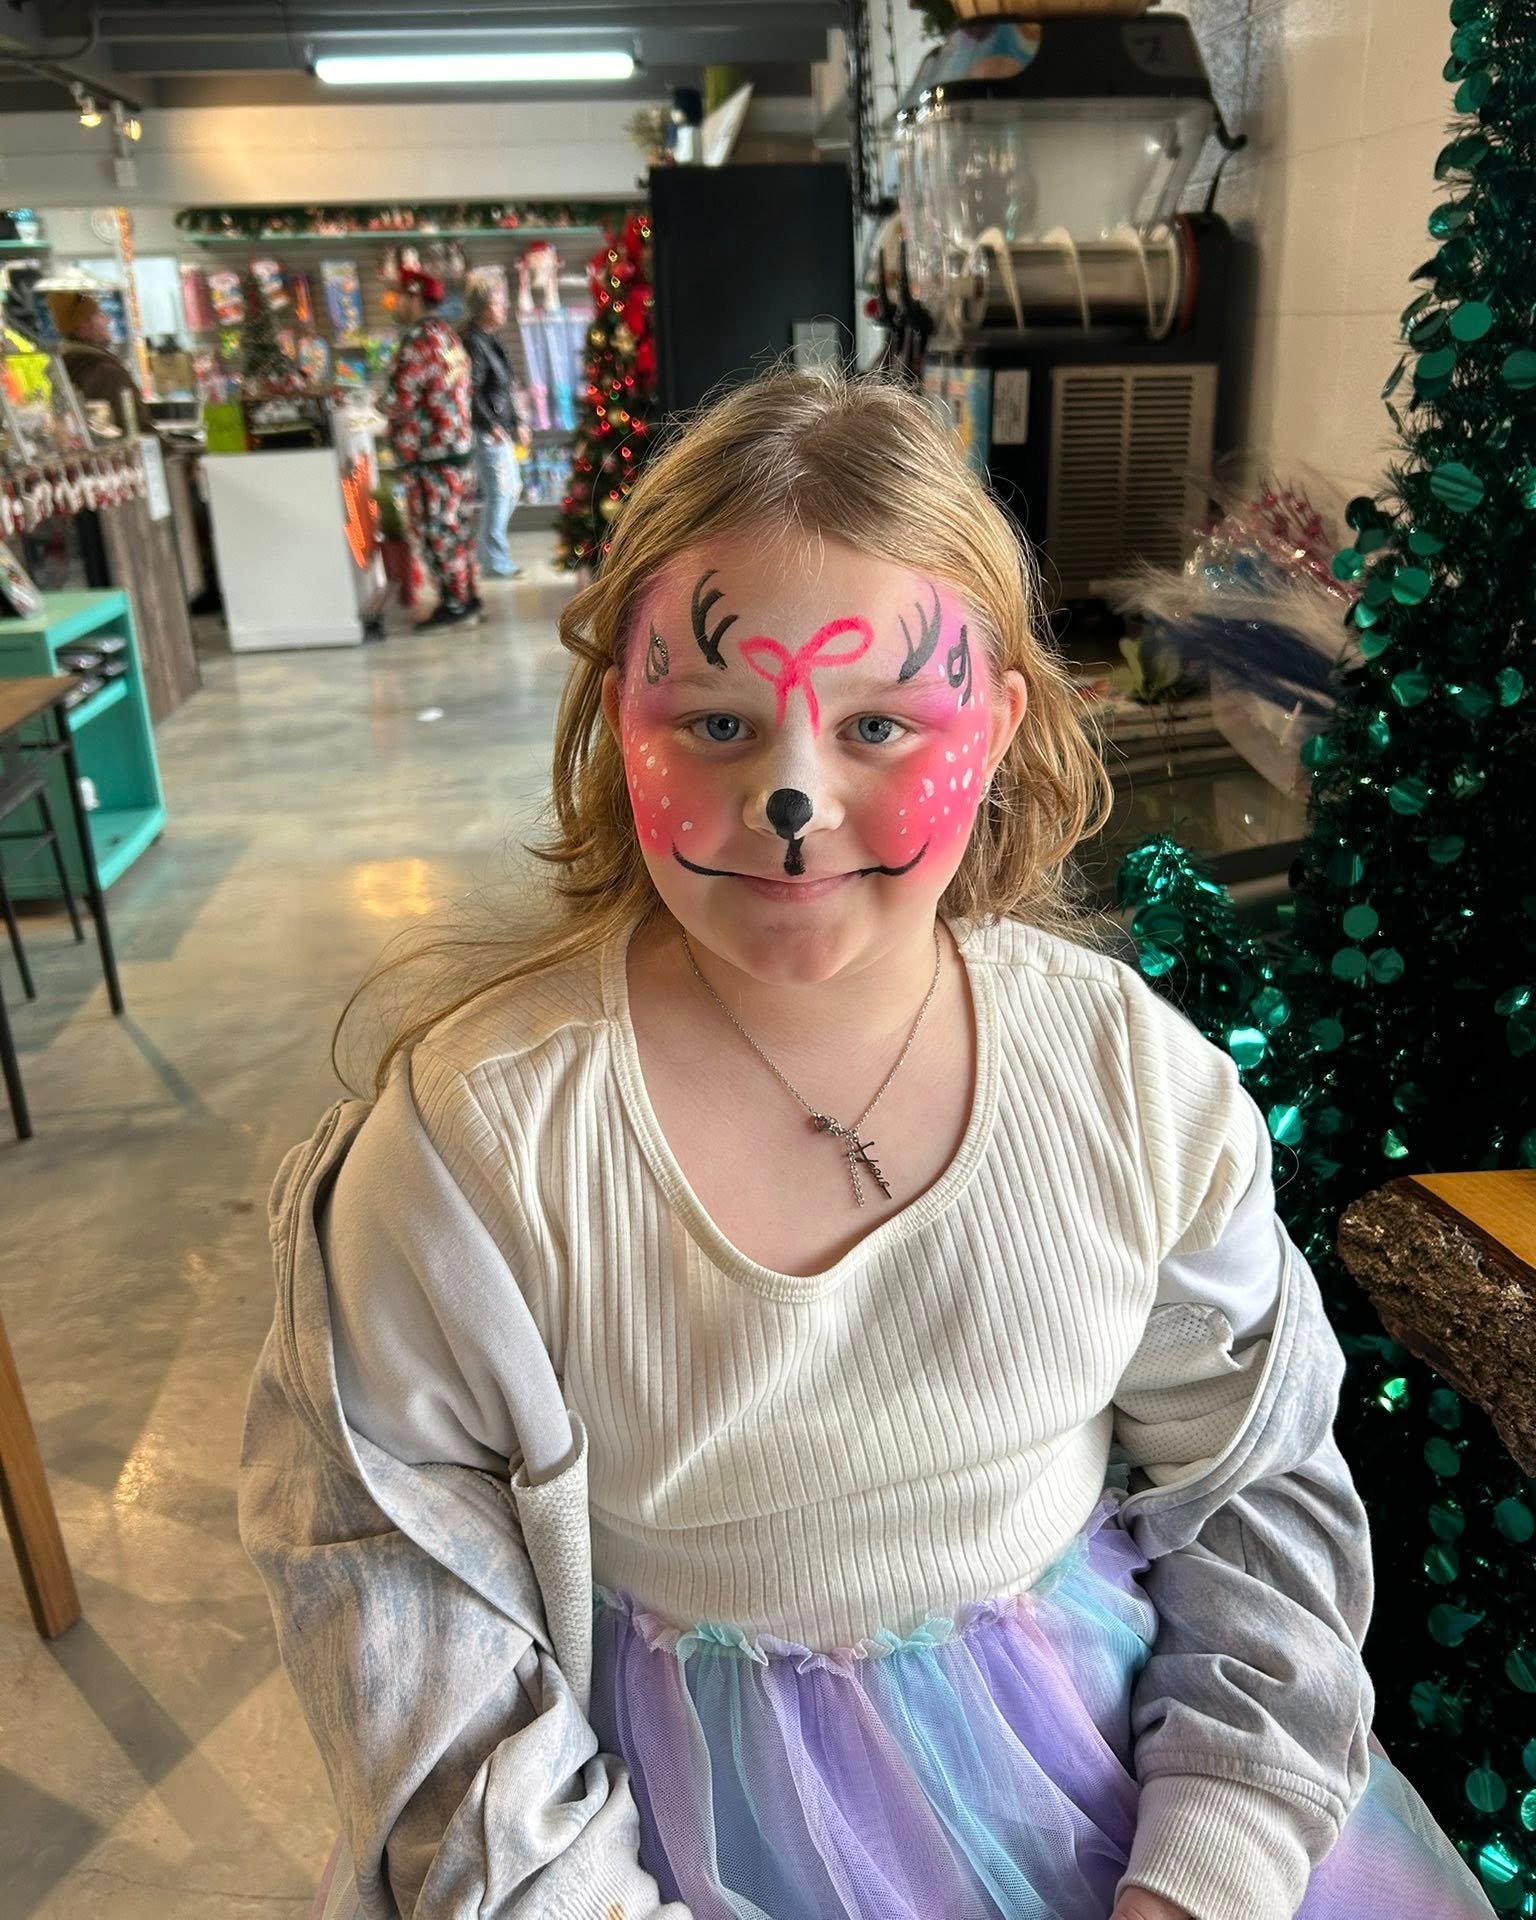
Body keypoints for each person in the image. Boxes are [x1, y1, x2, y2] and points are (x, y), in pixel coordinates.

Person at [240, 370, 1493, 1920]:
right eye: (711, 718)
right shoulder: (478, 1151)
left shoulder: (1128, 1089)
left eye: (884, 720)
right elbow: (411, 1621)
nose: (788, 797)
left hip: (1119, 1804)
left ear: (1006, 720)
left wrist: (1212, 1857)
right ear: (611, 710)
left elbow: (1254, 1480)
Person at [382, 265, 479, 630]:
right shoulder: (447, 336)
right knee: (455, 527)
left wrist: (377, 409)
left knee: (435, 529)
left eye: (400, 296)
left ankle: (455, 603)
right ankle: (466, 595)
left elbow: (397, 399)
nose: (395, 303)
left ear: (415, 297)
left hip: (430, 456)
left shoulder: (417, 342)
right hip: (455, 450)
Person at [463, 269, 530, 581]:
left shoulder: (491, 340)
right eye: (500, 301)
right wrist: (491, 425)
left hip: (499, 428)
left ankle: (489, 555)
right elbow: (471, 390)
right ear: (485, 306)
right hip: (489, 432)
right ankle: (494, 561)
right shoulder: (474, 343)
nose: (505, 307)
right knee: (501, 494)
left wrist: (517, 421)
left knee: (510, 491)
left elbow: (505, 385)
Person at [46, 287, 154, 434]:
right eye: (99, 314)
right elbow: (136, 429)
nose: (107, 319)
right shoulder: (104, 371)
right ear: (83, 326)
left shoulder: (66, 365)